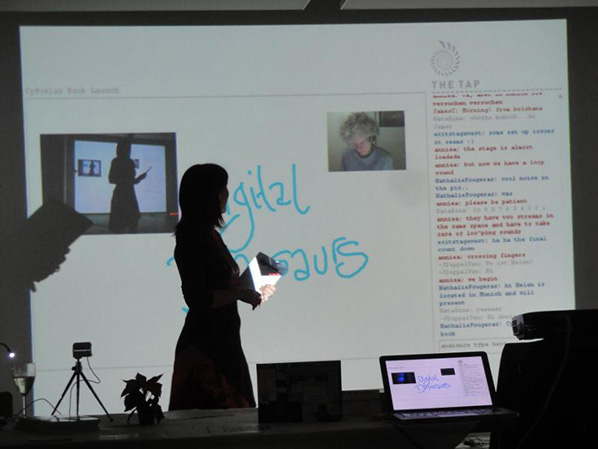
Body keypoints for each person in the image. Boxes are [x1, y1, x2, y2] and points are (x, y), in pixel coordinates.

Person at [169, 164, 275, 410]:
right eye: (222, 188)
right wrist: (240, 293)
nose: (227, 194)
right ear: (208, 196)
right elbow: (199, 298)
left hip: (224, 341)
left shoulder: (209, 235)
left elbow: (217, 283)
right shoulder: (192, 238)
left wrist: (249, 288)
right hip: (206, 349)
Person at [108, 141, 147, 233]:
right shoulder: (119, 161)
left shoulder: (128, 162)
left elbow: (113, 179)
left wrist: (139, 178)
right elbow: (111, 179)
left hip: (125, 194)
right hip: (125, 195)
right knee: (127, 223)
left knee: (126, 224)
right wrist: (135, 179)